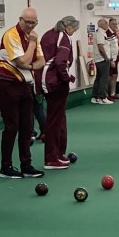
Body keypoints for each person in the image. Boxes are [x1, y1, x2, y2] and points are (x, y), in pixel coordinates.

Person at [0, 7, 45, 179]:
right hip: (8, 84)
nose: (31, 26)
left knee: (27, 127)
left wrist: (30, 65)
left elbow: (41, 61)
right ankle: (6, 167)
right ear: (20, 20)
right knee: (11, 127)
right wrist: (32, 44)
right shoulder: (11, 35)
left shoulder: (32, 36)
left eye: (34, 23)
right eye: (28, 22)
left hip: (26, 85)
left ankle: (26, 164)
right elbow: (22, 61)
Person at [35, 15, 78, 169]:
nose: (74, 32)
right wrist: (67, 78)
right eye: (74, 29)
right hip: (54, 83)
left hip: (45, 81)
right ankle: (51, 158)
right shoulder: (63, 37)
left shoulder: (48, 34)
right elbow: (60, 62)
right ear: (69, 27)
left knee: (58, 119)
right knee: (55, 121)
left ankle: (58, 154)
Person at [91, 18, 113, 105]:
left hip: (98, 59)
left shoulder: (98, 32)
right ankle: (103, 97)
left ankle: (95, 97)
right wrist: (106, 58)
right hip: (102, 59)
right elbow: (101, 47)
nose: (107, 25)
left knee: (99, 78)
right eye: (106, 23)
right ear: (102, 24)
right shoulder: (101, 33)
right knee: (104, 79)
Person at [106, 17, 119, 101]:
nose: (115, 25)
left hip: (116, 57)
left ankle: (113, 93)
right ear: (109, 24)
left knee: (115, 75)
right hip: (110, 58)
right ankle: (107, 95)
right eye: (113, 24)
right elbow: (108, 48)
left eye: (116, 24)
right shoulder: (107, 33)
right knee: (109, 76)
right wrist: (111, 59)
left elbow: (115, 45)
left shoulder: (115, 33)